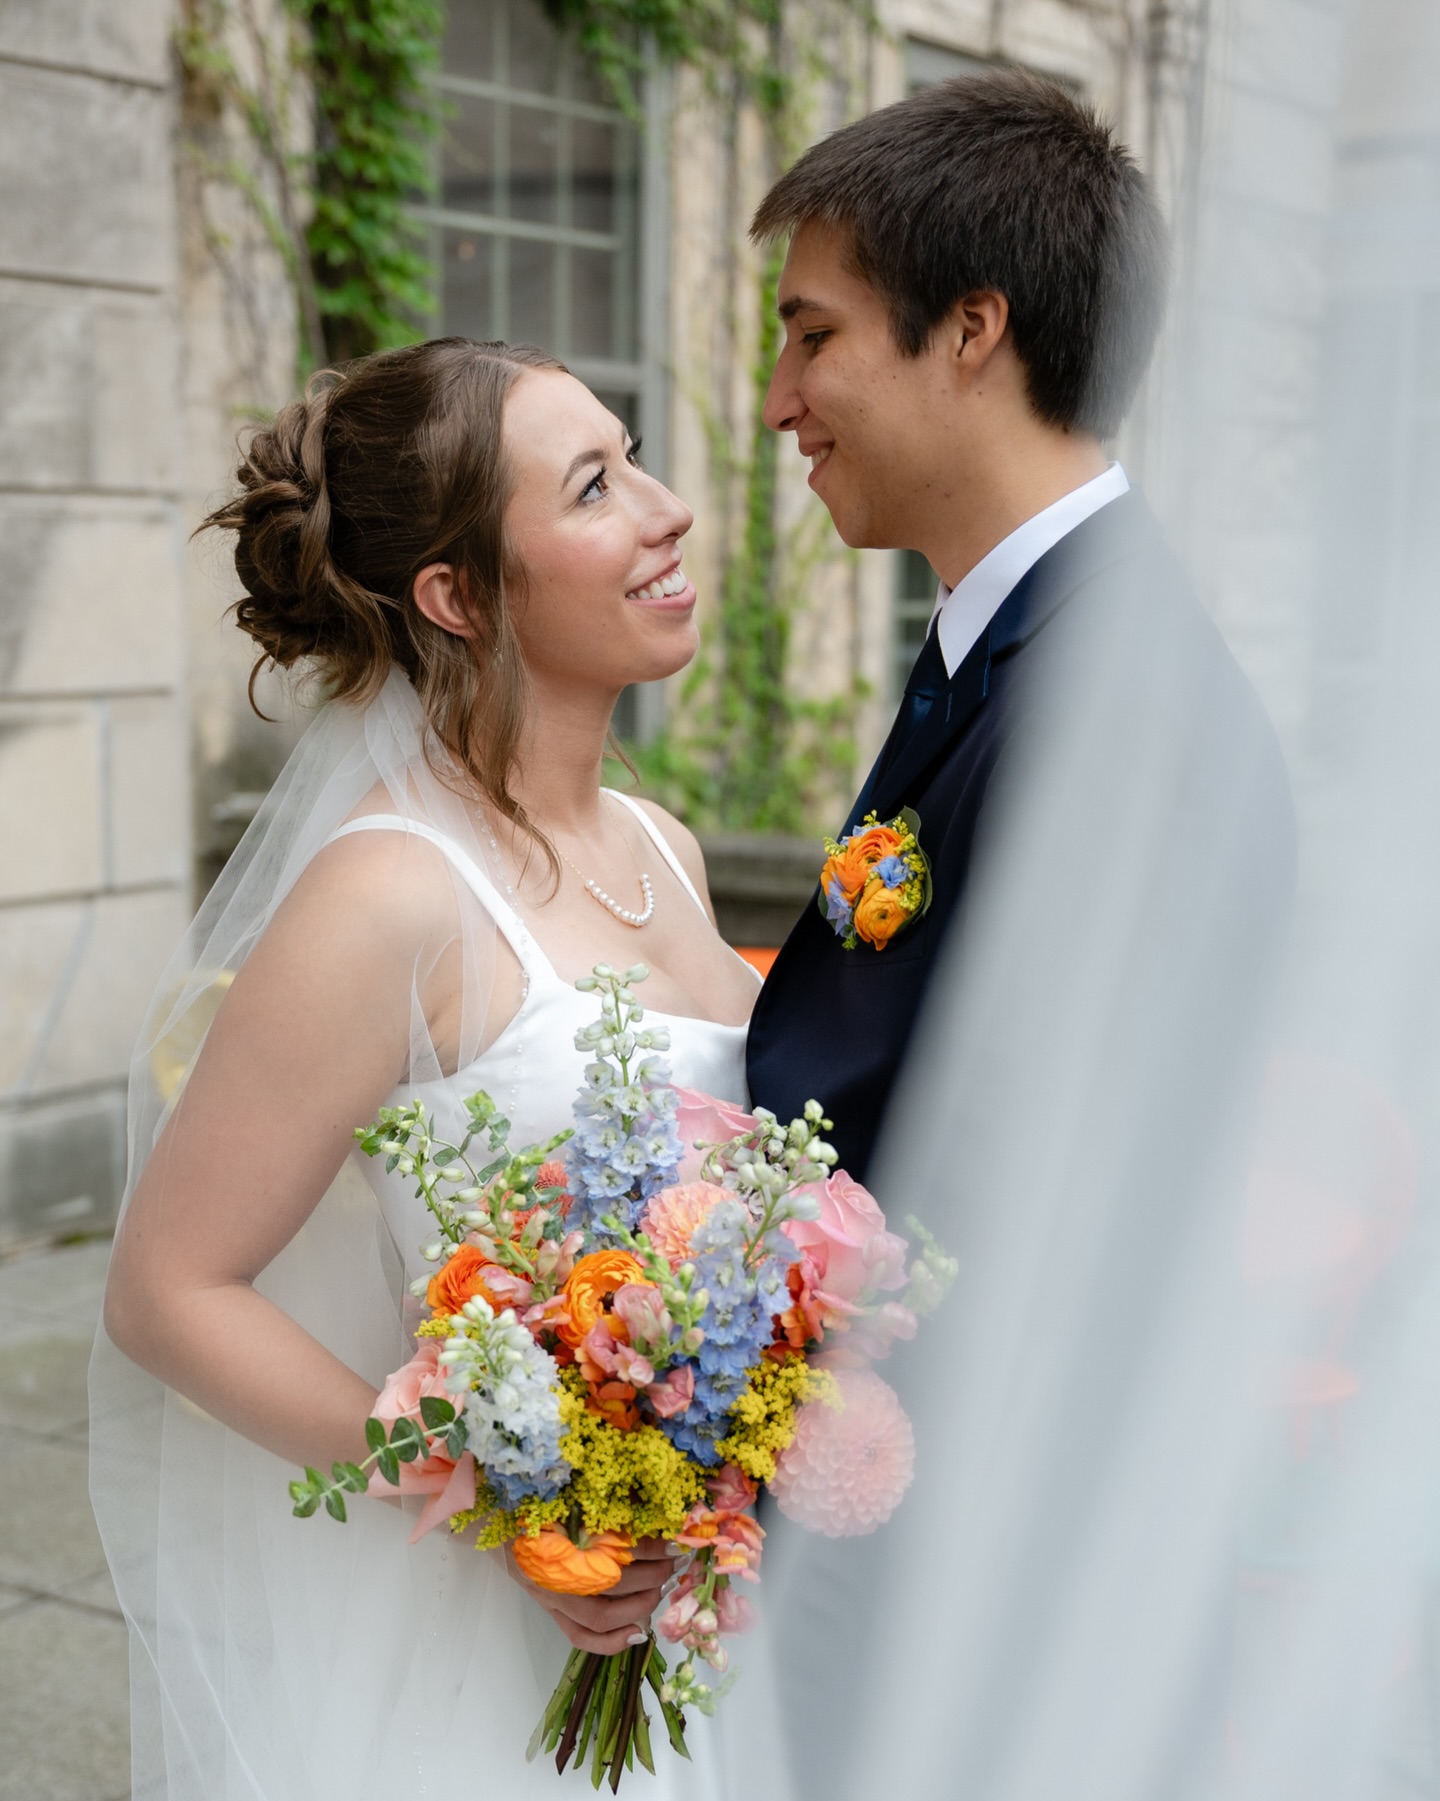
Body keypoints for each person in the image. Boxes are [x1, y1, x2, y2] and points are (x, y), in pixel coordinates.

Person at [90, 339, 759, 1799]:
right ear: (457, 596)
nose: (668, 512)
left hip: (700, 1609)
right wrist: (494, 1484)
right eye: (594, 487)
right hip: (495, 1667)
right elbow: (166, 1290)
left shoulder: (663, 846)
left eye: (636, 459)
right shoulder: (388, 891)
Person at [744, 69, 1290, 1181]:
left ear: (970, 329)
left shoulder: (1124, 712)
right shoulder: (1015, 641)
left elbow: (1046, 1186)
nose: (777, 401)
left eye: (815, 336)